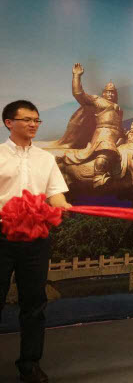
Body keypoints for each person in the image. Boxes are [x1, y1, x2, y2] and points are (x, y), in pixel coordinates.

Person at [0, 100, 71, 383]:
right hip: (2, 237)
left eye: (36, 120)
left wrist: (62, 206)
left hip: (36, 239)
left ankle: (30, 364)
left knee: (34, 304)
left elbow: (55, 193)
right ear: (9, 123)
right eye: (27, 119)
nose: (33, 125)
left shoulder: (45, 158)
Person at [71, 63, 123, 188]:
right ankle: (98, 176)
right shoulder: (97, 101)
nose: (110, 94)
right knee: (106, 150)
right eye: (108, 92)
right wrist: (77, 76)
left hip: (117, 135)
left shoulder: (119, 109)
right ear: (103, 93)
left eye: (113, 93)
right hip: (104, 134)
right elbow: (78, 94)